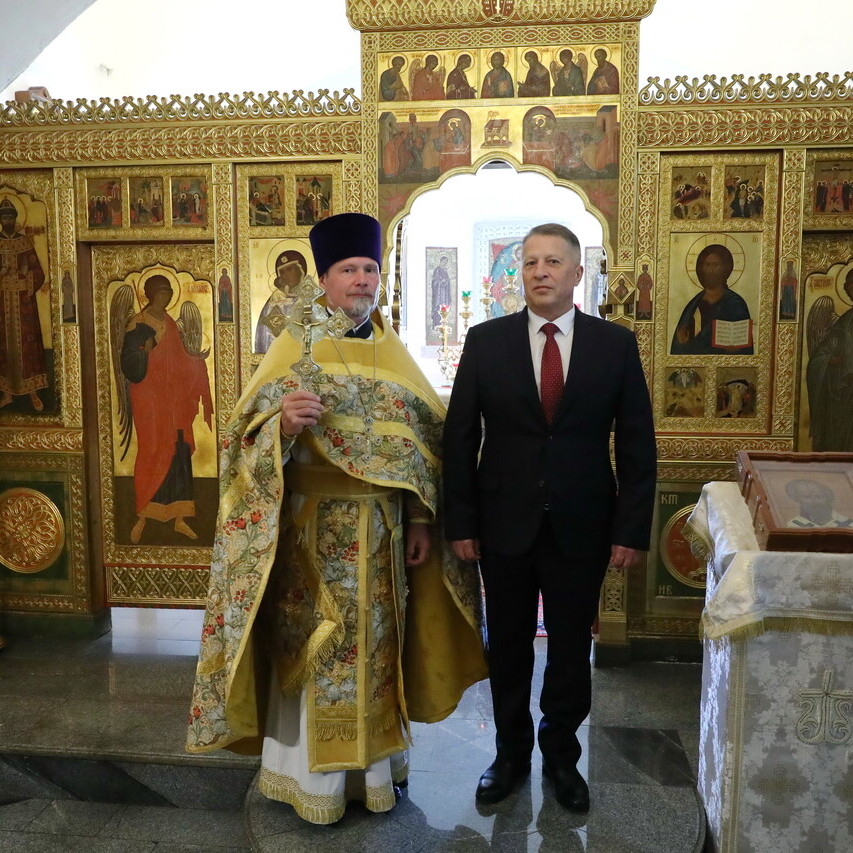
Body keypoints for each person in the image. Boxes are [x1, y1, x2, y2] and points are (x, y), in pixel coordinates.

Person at [187, 213, 486, 825]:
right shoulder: (293, 345)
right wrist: (281, 427)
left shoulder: (391, 348)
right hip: (311, 534)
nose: (362, 280)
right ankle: (311, 783)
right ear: (323, 279)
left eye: (370, 269)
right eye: (349, 269)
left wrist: (421, 520)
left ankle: (373, 776)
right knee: (315, 648)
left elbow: (425, 447)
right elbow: (240, 442)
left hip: (383, 533)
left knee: (377, 650)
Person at [443, 223, 656, 813]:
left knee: (568, 647)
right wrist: (461, 523)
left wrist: (630, 529)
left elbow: (637, 444)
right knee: (508, 645)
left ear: (577, 273)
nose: (540, 271)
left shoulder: (614, 345)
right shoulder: (486, 342)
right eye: (531, 261)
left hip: (583, 523)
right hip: (502, 523)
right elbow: (459, 439)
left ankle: (562, 756)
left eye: (553, 261)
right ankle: (509, 755)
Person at [119, 274, 213, 543]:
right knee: (151, 449)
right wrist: (144, 350)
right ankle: (142, 516)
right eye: (162, 293)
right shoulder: (137, 322)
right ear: (151, 294)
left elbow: (179, 358)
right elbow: (129, 365)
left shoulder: (170, 322)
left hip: (173, 403)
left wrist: (196, 361)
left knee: (178, 451)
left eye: (169, 293)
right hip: (150, 401)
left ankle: (179, 518)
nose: (166, 298)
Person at [0, 197, 49, 411]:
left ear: (16, 219)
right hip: (2, 304)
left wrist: (26, 276)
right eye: (4, 217)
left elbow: (38, 273)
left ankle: (33, 392)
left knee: (28, 346)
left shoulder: (25, 242)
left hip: (23, 303)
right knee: (4, 346)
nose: (8, 220)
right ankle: (7, 394)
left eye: (11, 217)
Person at [670, 243, 753, 355]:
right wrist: (682, 344)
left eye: (716, 265)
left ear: (724, 269)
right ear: (701, 269)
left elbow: (744, 348)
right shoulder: (694, 305)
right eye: (707, 265)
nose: (711, 270)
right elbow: (681, 344)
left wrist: (736, 349)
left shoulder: (736, 303)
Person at [806, 268, 853, 451]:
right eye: (849, 285)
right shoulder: (845, 320)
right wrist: (828, 361)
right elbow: (821, 354)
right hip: (844, 393)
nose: (851, 289)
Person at [785, 479, 853, 528]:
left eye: (818, 496)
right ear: (798, 499)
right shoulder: (793, 525)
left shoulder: (847, 523)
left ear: (828, 498)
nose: (813, 501)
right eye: (807, 497)